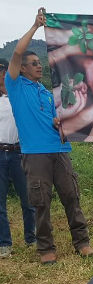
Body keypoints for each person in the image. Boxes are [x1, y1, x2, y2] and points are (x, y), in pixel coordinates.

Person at [5, 8, 93, 264]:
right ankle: (46, 249)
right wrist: (35, 26)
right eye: (34, 64)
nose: (39, 66)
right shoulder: (16, 86)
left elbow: (59, 118)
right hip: (35, 154)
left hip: (60, 150)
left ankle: (82, 242)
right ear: (21, 69)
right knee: (40, 202)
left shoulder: (47, 92)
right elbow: (18, 52)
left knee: (71, 197)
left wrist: (59, 122)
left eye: (39, 63)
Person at [0, 58, 36, 258]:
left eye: (3, 70)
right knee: (0, 202)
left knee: (28, 199)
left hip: (19, 152)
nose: (1, 75)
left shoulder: (19, 95)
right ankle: (4, 244)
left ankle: (31, 238)